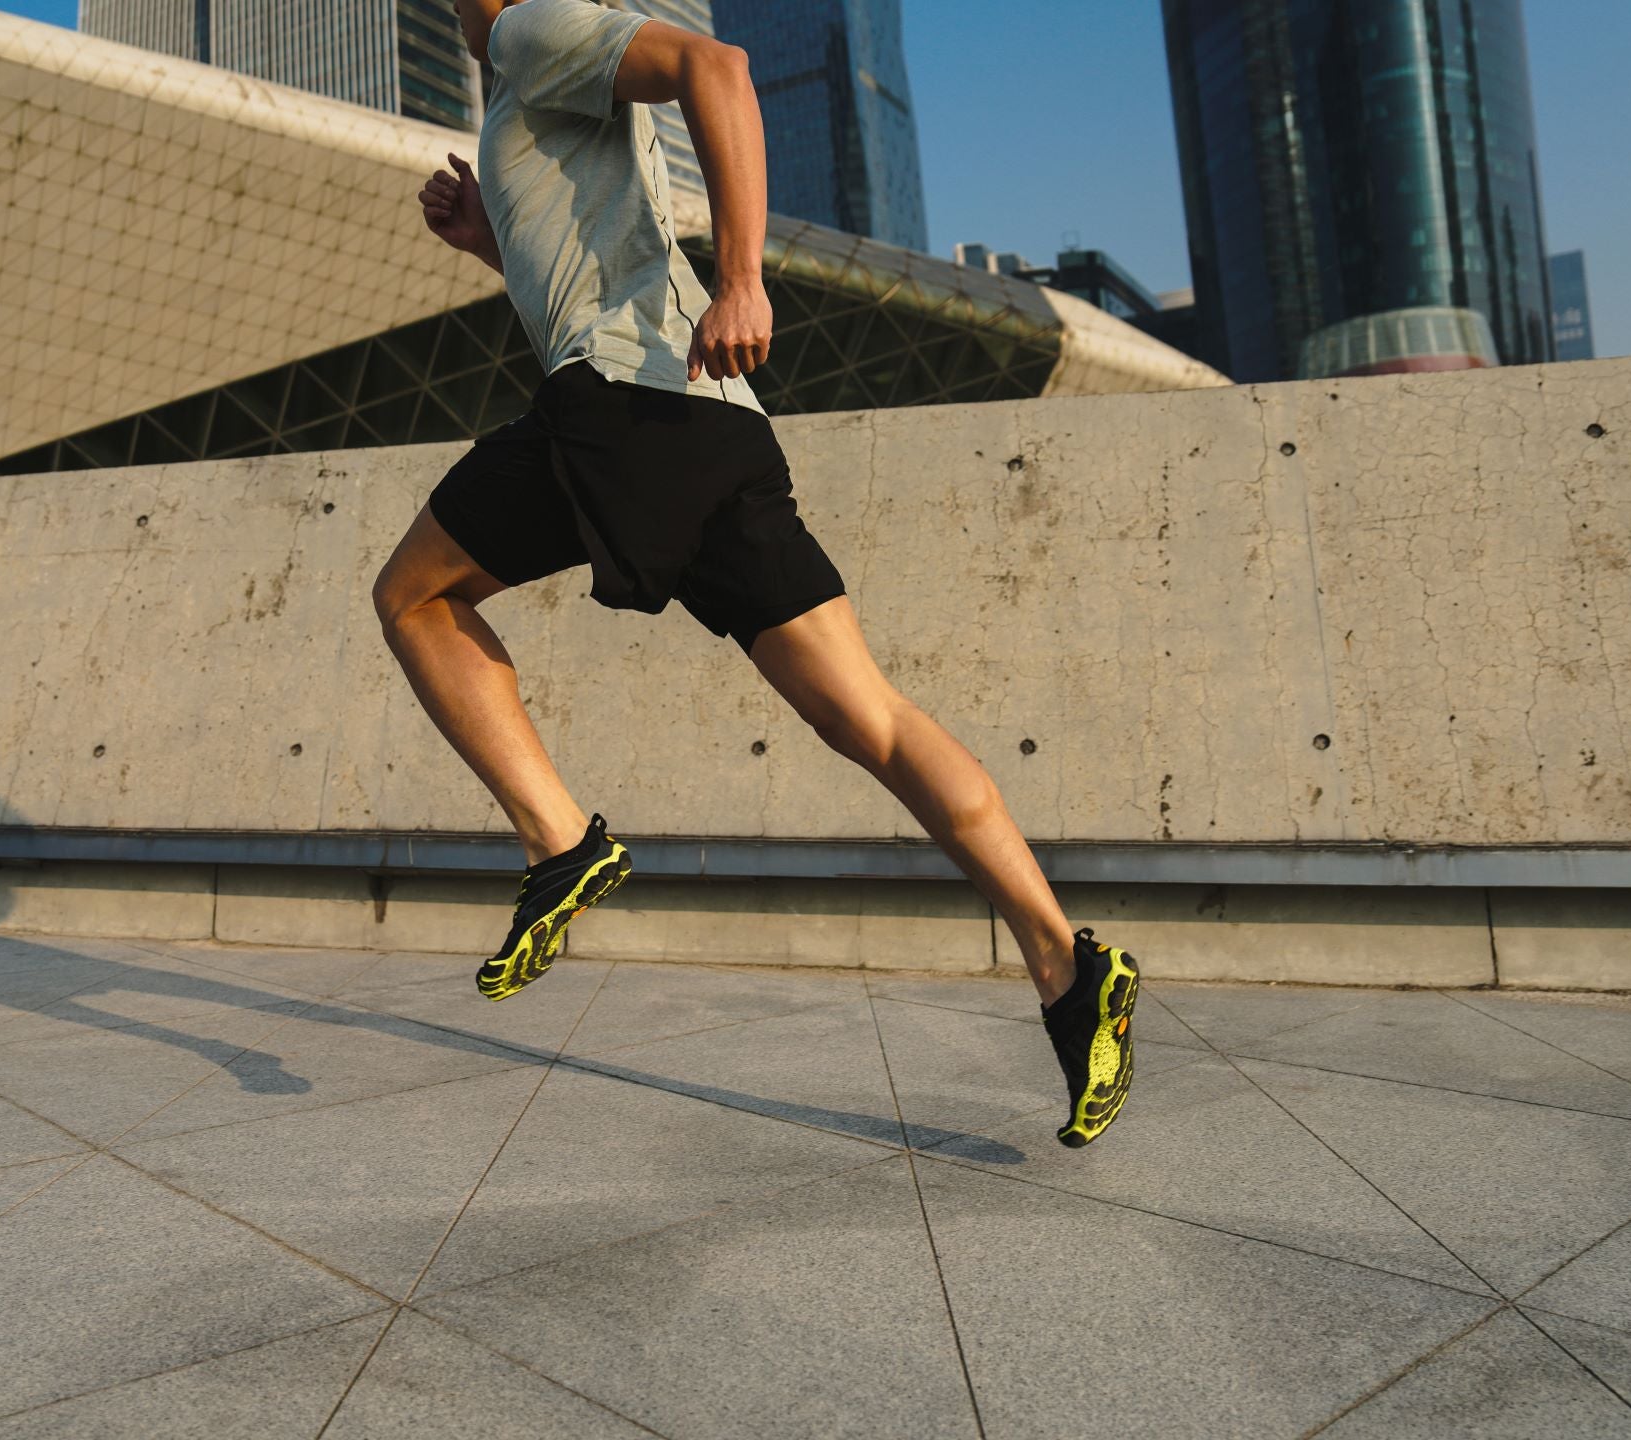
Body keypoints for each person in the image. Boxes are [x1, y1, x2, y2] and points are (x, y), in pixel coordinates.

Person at [373, 0, 1139, 1147]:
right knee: (871, 720)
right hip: (714, 427)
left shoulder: (530, 25)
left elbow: (715, 65)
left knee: (412, 596)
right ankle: (1066, 970)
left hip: (630, 404)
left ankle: (559, 841)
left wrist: (744, 279)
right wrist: (495, 237)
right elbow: (597, 245)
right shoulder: (524, 83)